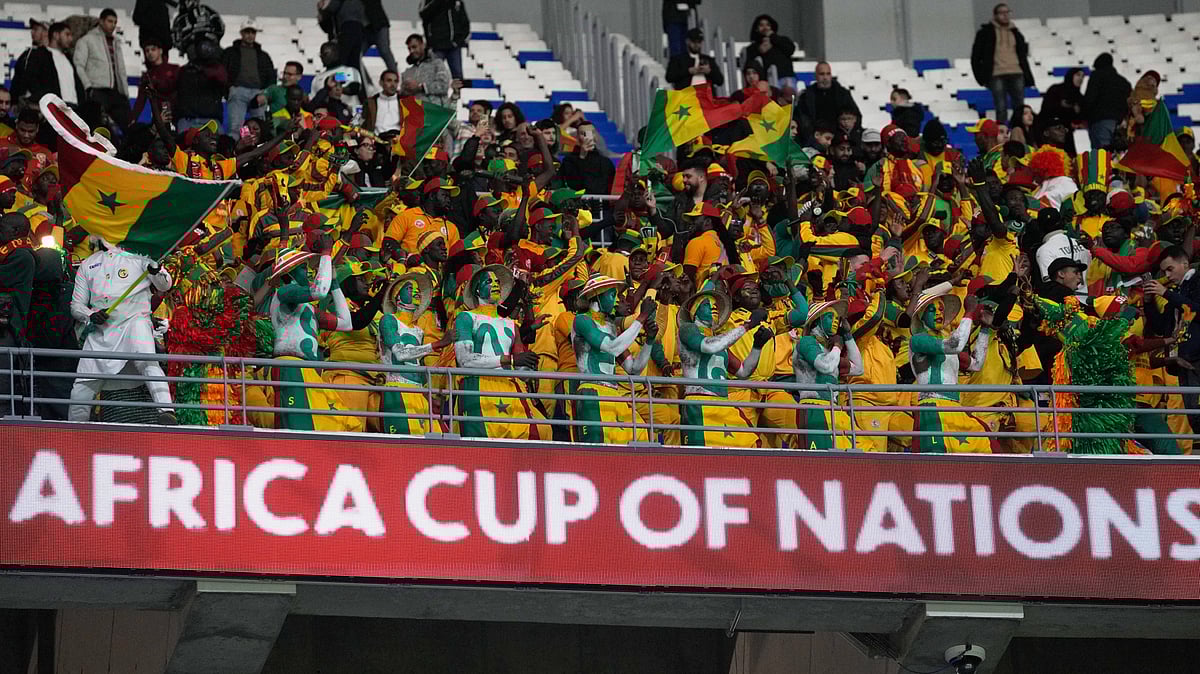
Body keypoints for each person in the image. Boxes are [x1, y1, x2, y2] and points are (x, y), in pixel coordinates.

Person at [68, 239, 176, 425]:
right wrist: (90, 315)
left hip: (134, 322)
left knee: (147, 361)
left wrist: (156, 270)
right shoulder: (87, 264)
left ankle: (166, 412)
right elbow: (76, 305)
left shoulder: (140, 258)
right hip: (101, 330)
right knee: (83, 384)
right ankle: (74, 428)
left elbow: (165, 285)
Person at [453, 264, 551, 440]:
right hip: (478, 386)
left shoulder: (511, 324)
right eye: (488, 281)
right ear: (477, 290)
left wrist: (528, 367)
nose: (495, 284)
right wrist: (512, 360)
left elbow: (522, 371)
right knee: (482, 447)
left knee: (538, 434)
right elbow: (465, 360)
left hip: (511, 387)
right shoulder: (466, 317)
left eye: (497, 281)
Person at [571, 274, 659, 445]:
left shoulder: (611, 327)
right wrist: (641, 317)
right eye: (612, 295)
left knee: (641, 437)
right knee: (599, 448)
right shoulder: (581, 320)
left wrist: (649, 340)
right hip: (592, 391)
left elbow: (633, 368)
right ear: (597, 295)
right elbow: (612, 347)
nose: (617, 300)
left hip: (614, 394)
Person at [970, 3, 1035, 126]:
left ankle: (1019, 133)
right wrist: (981, 77)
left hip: (1016, 72)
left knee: (1019, 107)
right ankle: (1002, 134)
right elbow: (976, 56)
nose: (1005, 16)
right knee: (1001, 107)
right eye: (1002, 13)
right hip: (996, 73)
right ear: (995, 15)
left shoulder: (1015, 32)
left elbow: (1022, 54)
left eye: (1007, 12)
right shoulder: (985, 32)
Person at [73, 8, 131, 129]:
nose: (113, 25)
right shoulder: (87, 40)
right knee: (97, 126)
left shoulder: (116, 42)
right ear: (101, 21)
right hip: (97, 90)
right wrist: (88, 87)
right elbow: (79, 65)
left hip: (117, 92)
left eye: (115, 22)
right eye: (110, 21)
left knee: (128, 126)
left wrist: (125, 92)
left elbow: (121, 70)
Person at [222, 21, 276, 140]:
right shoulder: (230, 52)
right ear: (241, 33)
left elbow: (271, 75)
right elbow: (223, 72)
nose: (250, 35)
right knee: (236, 128)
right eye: (247, 32)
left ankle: (259, 155)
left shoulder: (263, 55)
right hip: (237, 91)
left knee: (260, 129)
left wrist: (266, 93)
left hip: (258, 93)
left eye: (253, 32)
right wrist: (229, 90)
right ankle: (235, 155)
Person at [173, 37, 228, 133]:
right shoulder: (183, 71)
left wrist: (203, 70)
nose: (204, 49)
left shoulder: (217, 69)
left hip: (211, 119)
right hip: (187, 119)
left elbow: (222, 79)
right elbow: (174, 93)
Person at [796, 62, 859, 144]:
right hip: (814, 138)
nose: (825, 77)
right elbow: (802, 119)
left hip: (839, 138)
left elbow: (856, 116)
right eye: (822, 74)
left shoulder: (843, 94)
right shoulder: (806, 96)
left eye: (828, 74)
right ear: (815, 76)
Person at [23, 22, 84, 107]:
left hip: (73, 108)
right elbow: (31, 79)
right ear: (55, 35)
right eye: (67, 34)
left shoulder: (68, 57)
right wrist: (46, 100)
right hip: (54, 108)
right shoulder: (39, 54)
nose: (70, 39)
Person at [1083, 53, 1131, 150]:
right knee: (1117, 155)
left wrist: (1083, 116)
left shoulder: (1096, 76)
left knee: (1101, 157)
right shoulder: (1123, 81)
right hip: (1120, 123)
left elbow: (1090, 98)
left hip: (1100, 122)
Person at [130, 36, 181, 123]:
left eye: (153, 49)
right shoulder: (147, 76)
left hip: (178, 116)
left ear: (160, 51)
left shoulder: (174, 69)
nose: (150, 53)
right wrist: (132, 119)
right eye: (147, 51)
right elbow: (140, 101)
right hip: (159, 120)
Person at [419, 0, 470, 83]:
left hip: (453, 46)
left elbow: (465, 23)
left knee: (458, 78)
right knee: (432, 76)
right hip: (436, 47)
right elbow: (423, 14)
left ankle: (458, 95)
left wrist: (458, 41)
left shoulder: (457, 3)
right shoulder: (428, 1)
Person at [741, 14, 795, 90]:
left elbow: (790, 49)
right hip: (765, 83)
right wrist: (759, 51)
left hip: (786, 80)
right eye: (761, 25)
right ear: (756, 28)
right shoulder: (752, 48)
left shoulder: (781, 40)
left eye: (768, 25)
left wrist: (773, 37)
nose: (765, 28)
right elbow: (750, 66)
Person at [559, 123, 614, 194]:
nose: (588, 136)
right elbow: (573, 184)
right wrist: (582, 157)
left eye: (592, 132)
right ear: (577, 137)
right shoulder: (569, 160)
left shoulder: (606, 162)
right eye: (583, 133)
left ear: (596, 136)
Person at [401, 34, 453, 110]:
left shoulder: (437, 63)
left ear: (423, 45)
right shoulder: (408, 72)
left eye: (414, 47)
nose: (412, 51)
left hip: (436, 112)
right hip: (415, 114)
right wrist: (405, 90)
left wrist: (421, 87)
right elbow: (404, 96)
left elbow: (444, 85)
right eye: (409, 49)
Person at [318, 0, 368, 70]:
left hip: (348, 27)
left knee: (341, 59)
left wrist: (323, 8)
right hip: (355, 28)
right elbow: (327, 27)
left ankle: (339, 78)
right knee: (352, 60)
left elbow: (332, 7)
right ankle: (350, 78)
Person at [10, 19, 49, 103]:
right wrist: (14, 100)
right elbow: (17, 78)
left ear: (46, 32)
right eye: (32, 29)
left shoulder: (53, 55)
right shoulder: (26, 55)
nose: (32, 32)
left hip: (45, 104)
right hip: (26, 103)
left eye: (35, 29)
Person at [361, 0, 398, 75]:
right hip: (365, 29)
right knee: (356, 55)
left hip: (379, 24)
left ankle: (394, 77)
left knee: (384, 51)